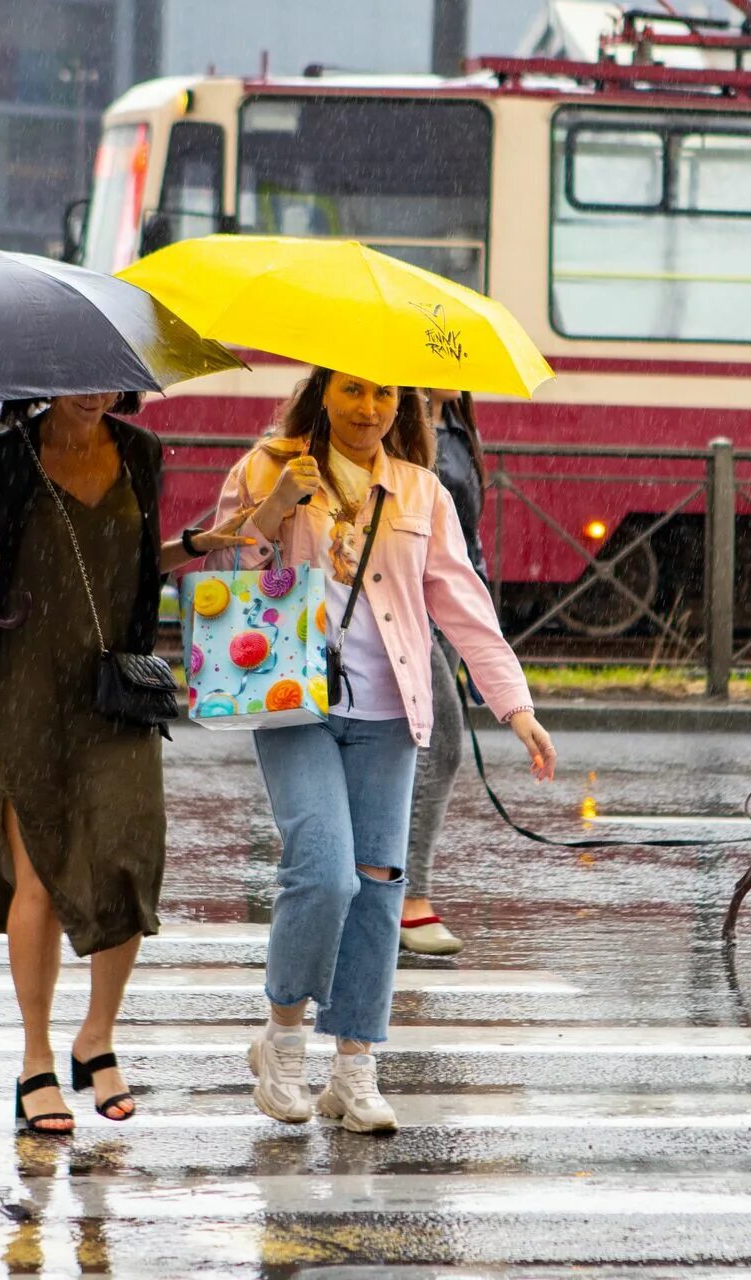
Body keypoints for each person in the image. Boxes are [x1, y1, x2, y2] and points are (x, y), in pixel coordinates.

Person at [206, 368, 556, 1133]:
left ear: (402, 407)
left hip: (388, 710)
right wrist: (273, 510)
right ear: (322, 394)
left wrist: (516, 707)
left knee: (379, 883)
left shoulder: (419, 491)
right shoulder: (268, 465)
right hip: (294, 702)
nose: (369, 409)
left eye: (385, 395)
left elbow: (462, 603)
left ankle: (355, 1069)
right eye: (354, 391)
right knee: (324, 874)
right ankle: (285, 1040)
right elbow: (220, 572)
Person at [0, 393, 247, 1134]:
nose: (95, 390)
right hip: (26, 690)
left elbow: (146, 564)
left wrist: (204, 543)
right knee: (41, 878)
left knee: (127, 861)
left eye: (108, 377)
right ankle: (35, 1059)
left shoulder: (139, 452)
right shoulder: (1, 458)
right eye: (78, 375)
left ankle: (97, 1037)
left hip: (115, 687)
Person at [402, 388, 490, 956]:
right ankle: (409, 898)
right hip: (403, 603)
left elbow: (470, 541)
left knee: (413, 749)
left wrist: (483, 640)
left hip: (447, 606)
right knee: (441, 745)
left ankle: (380, 889)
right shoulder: (394, 421)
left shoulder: (457, 428)